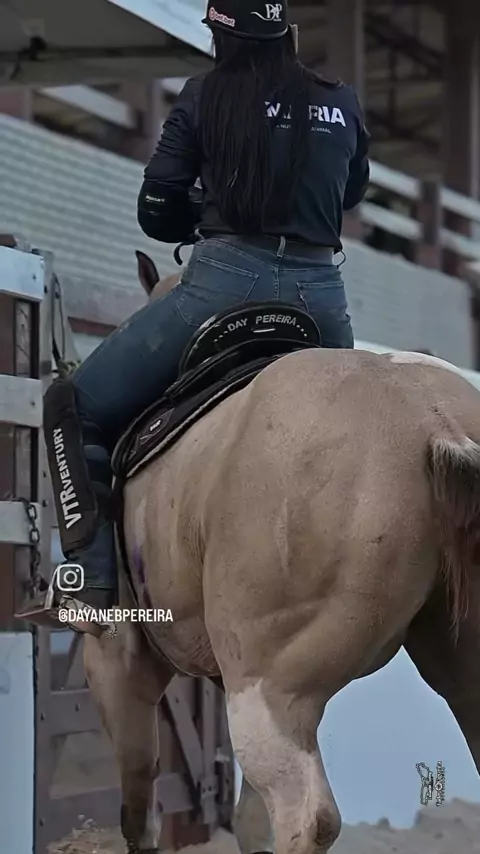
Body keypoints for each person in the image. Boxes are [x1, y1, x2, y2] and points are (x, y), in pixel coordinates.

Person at [20, 0, 370, 634]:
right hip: (322, 302)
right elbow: (350, 192)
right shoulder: (339, 100)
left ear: (223, 37)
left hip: (223, 286)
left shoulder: (206, 95)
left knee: (73, 403)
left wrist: (207, 207)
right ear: (285, 33)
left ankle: (89, 584)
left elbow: (156, 208)